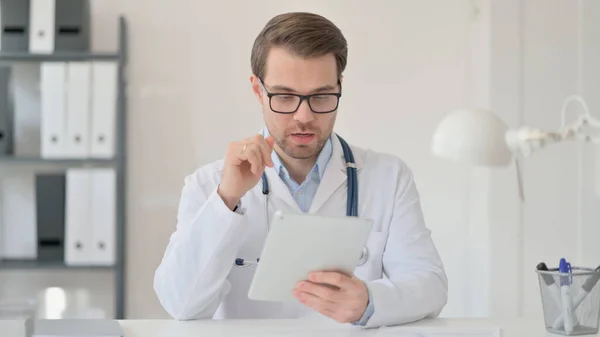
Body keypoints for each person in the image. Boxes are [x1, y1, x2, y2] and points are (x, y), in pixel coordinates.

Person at [153, 11, 448, 328]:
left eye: (321, 96)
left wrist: (370, 301)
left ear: (339, 87)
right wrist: (226, 200)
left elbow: (430, 286)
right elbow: (180, 303)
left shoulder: (388, 177)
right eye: (285, 96)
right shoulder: (208, 184)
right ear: (258, 91)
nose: (304, 116)